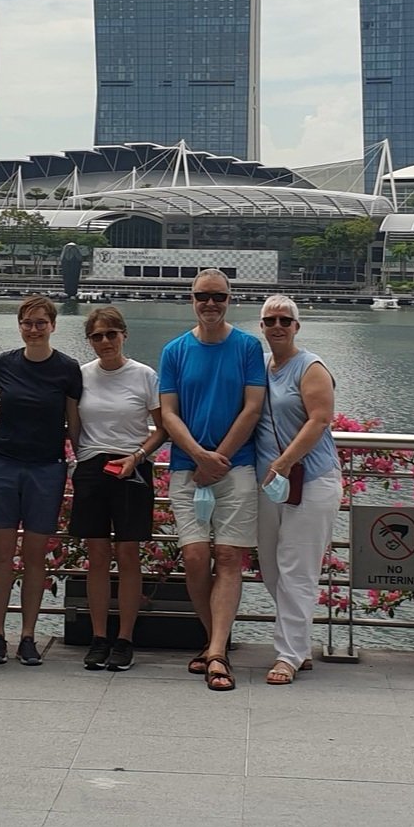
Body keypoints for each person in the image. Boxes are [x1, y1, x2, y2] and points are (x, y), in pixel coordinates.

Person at [156, 269, 265, 692]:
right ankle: (214, 637)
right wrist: (200, 456)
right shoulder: (175, 351)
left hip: (236, 467)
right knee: (196, 556)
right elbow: (168, 413)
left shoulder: (248, 348)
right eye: (203, 296)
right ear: (191, 299)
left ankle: (216, 652)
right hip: (187, 469)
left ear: (229, 299)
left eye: (218, 296)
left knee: (229, 557)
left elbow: (252, 408)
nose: (210, 304)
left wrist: (218, 458)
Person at [0, 292, 83, 665]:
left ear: (53, 326)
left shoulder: (67, 369)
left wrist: (83, 460)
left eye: (41, 323)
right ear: (19, 326)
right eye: (27, 323)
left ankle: (27, 635)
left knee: (36, 556)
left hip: (47, 467)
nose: (34, 329)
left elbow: (74, 422)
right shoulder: (4, 364)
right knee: (3, 555)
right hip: (3, 465)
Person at [252, 293, 341, 685]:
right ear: (262, 326)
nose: (277, 327)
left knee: (297, 570)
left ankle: (288, 655)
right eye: (270, 321)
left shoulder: (311, 367)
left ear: (296, 326)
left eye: (284, 320)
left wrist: (284, 462)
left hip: (311, 479)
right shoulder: (261, 368)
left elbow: (320, 419)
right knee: (271, 567)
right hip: (270, 486)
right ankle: (299, 644)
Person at [69, 304, 161, 672]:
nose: (105, 341)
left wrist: (136, 457)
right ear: (89, 340)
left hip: (132, 469)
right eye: (97, 336)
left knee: (127, 555)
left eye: (111, 334)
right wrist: (81, 461)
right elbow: (73, 424)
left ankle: (124, 638)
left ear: (124, 334)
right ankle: (98, 637)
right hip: (92, 468)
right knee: (97, 556)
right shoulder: (81, 376)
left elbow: (163, 427)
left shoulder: (144, 375)